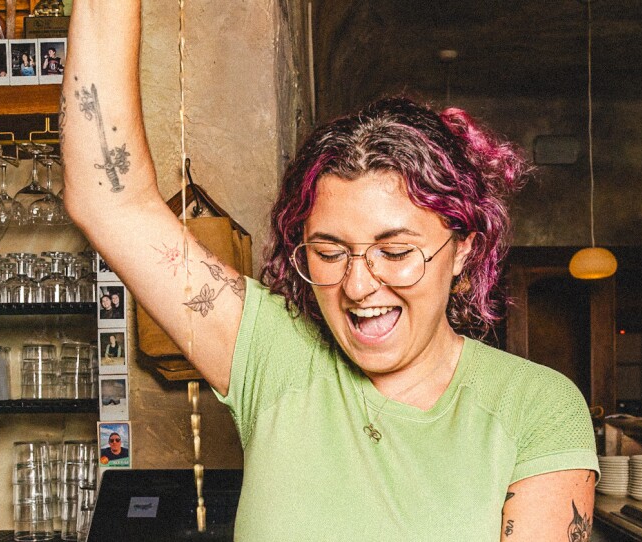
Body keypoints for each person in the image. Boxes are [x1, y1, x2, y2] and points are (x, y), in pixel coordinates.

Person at [62, 3, 598, 540]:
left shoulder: (536, 407)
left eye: (396, 252)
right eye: (329, 251)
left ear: (463, 250)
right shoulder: (272, 354)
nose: (358, 286)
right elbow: (111, 203)